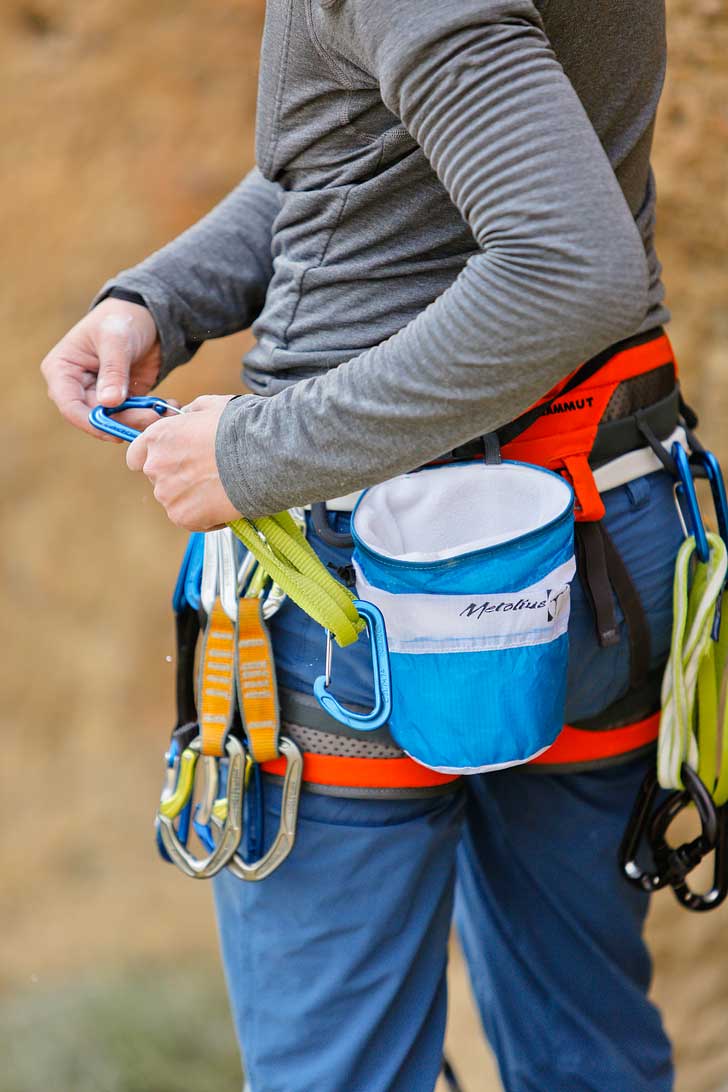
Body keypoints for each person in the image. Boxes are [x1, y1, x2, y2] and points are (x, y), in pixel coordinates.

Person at [41, 2, 684, 1088]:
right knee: (586, 1050)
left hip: (367, 581)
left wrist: (256, 453)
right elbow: (388, 143)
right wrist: (166, 297)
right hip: (594, 535)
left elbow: (568, 264)